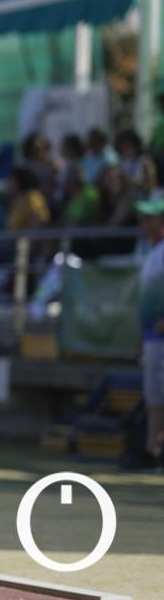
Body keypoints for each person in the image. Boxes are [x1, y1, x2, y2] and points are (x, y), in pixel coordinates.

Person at [135, 196, 164, 471]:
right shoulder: (152, 253)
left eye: (149, 218)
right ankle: (152, 450)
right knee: (154, 395)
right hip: (152, 337)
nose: (143, 224)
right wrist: (142, 337)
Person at [114, 129, 157, 197]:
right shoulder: (119, 162)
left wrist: (135, 182)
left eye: (129, 144)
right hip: (124, 196)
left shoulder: (145, 160)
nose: (126, 148)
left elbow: (152, 184)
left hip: (143, 197)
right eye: (123, 145)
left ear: (136, 144)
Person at [6, 167, 50, 232]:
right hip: (14, 240)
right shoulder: (17, 199)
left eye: (12, 180)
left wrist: (28, 240)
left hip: (26, 240)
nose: (9, 183)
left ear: (20, 181)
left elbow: (38, 221)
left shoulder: (32, 197)